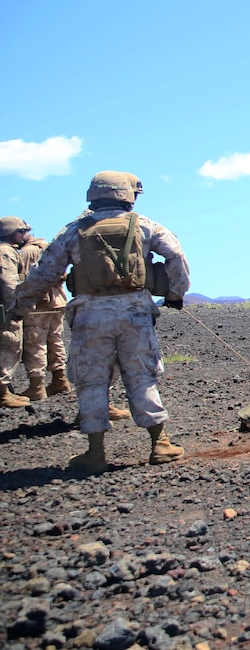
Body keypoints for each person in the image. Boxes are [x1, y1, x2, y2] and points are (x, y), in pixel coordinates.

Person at [11, 171, 190, 472]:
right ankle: (160, 444)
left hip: (89, 314)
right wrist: (174, 294)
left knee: (91, 380)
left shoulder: (73, 231)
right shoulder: (146, 226)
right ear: (129, 196)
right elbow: (177, 257)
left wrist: (20, 306)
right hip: (135, 313)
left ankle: (95, 453)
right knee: (142, 376)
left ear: (93, 195)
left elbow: (44, 273)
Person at [18, 233, 70, 401]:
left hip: (39, 305)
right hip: (58, 302)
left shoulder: (27, 252)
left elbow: (26, 280)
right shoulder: (50, 247)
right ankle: (59, 379)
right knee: (55, 340)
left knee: (35, 343)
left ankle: (36, 386)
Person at [0, 217, 31, 409]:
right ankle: (2, 393)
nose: (24, 235)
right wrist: (18, 307)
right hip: (6, 311)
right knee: (9, 346)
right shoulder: (5, 252)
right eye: (21, 231)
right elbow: (8, 282)